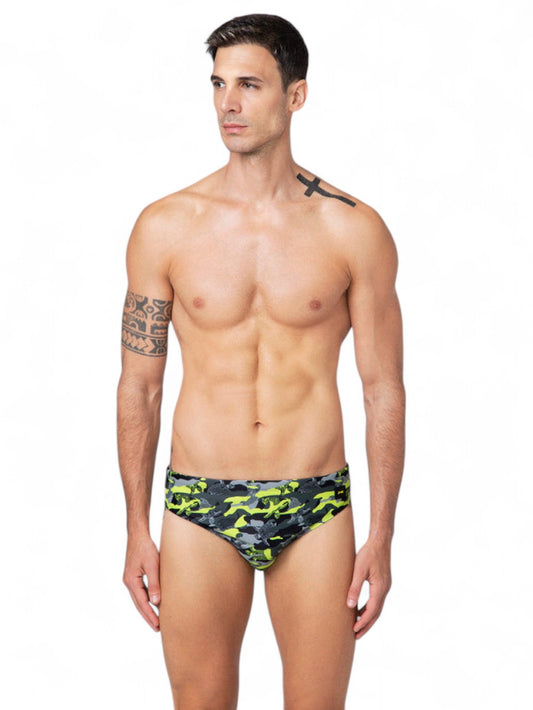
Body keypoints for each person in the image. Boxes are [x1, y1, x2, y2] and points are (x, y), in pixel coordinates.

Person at [117, 12, 405, 710]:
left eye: (249, 85)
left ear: (295, 95)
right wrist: (135, 527)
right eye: (218, 84)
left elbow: (382, 390)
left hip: (314, 505)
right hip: (198, 504)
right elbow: (140, 387)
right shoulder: (165, 226)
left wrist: (381, 535)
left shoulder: (353, 229)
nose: (229, 103)